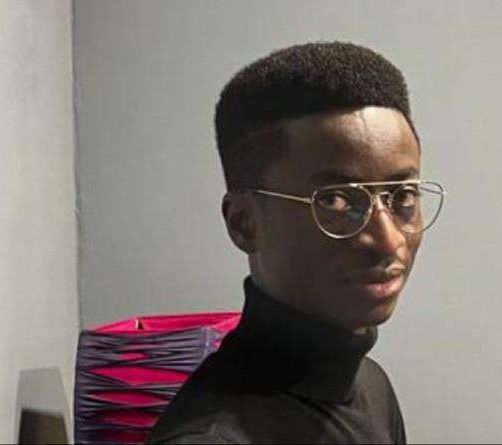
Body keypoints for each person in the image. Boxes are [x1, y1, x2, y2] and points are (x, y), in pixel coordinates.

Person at [147, 41, 445, 444]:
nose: (388, 240)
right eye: (337, 202)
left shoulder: (371, 385)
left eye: (403, 196)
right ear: (244, 223)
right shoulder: (211, 438)